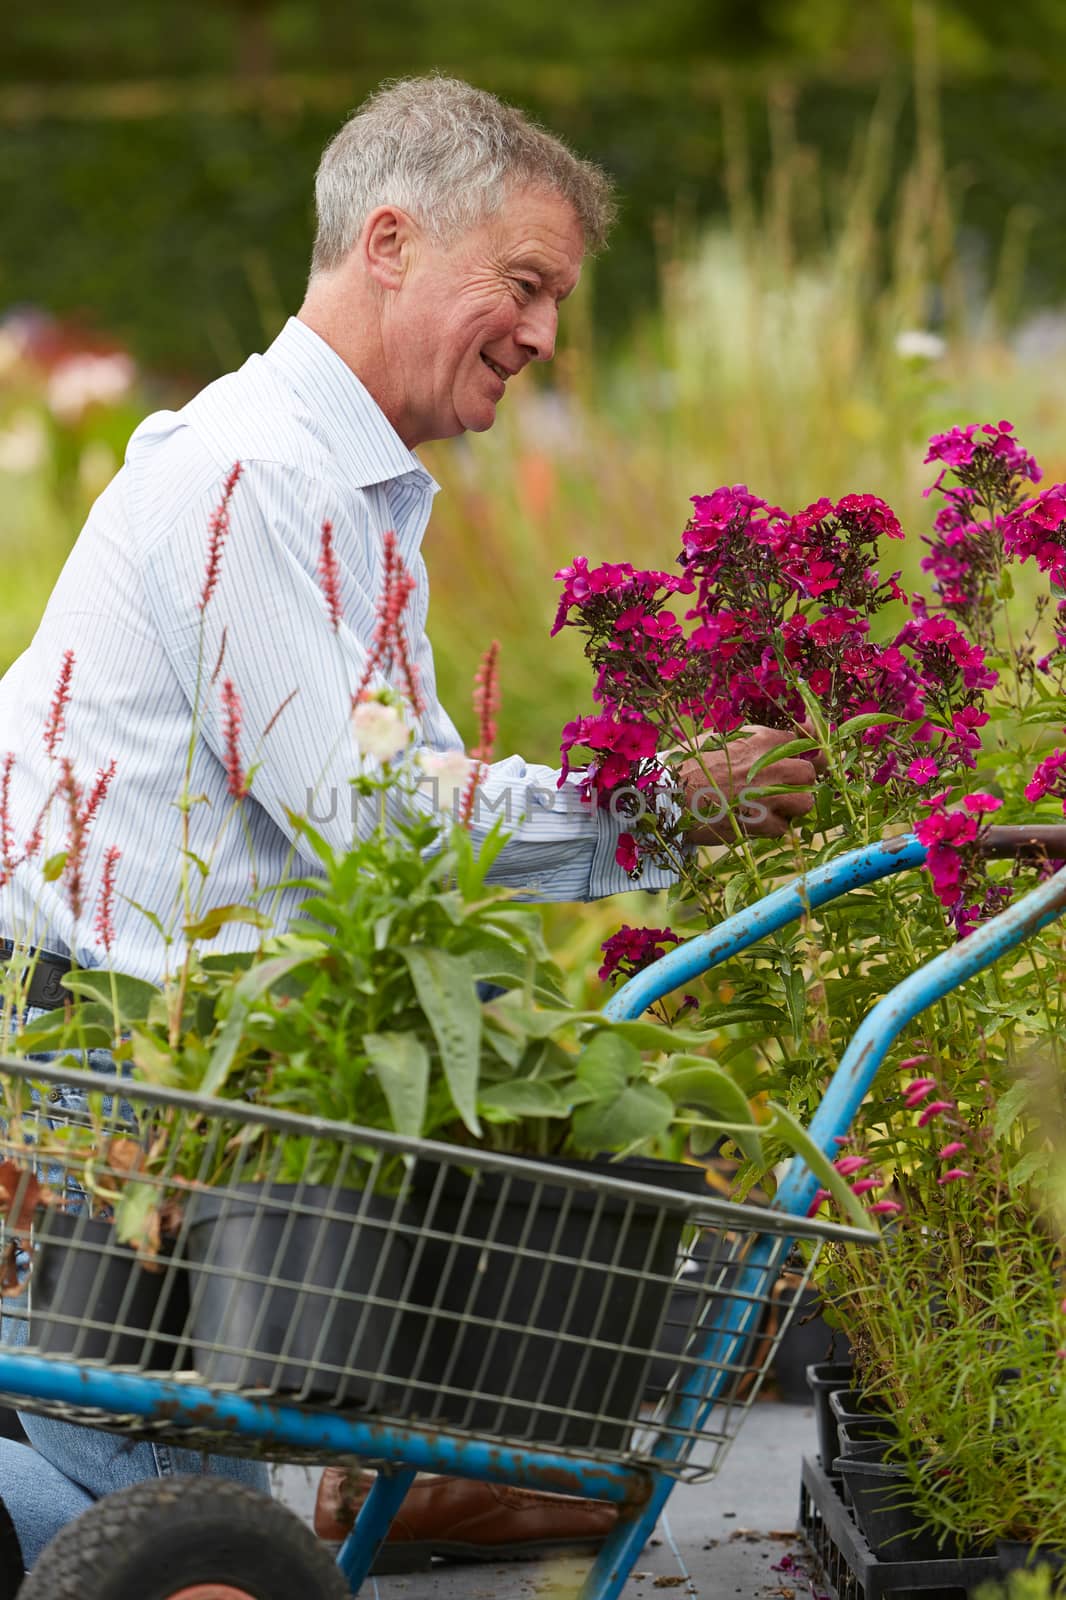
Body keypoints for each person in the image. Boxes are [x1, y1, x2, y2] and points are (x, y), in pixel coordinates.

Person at [0, 75, 821, 1574]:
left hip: (198, 1056)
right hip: (141, 1059)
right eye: (522, 285)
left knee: (188, 1495)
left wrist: (653, 814)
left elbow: (407, 791)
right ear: (388, 240)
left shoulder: (357, 499)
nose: (543, 336)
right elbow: (370, 820)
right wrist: (657, 798)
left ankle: (362, 1498)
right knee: (168, 1526)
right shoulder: (258, 477)